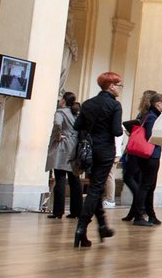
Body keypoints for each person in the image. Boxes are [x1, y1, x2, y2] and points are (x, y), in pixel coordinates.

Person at [73, 72, 124, 248]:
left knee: (95, 188)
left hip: (89, 151)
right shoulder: (115, 105)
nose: (120, 89)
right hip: (105, 151)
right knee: (95, 190)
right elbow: (117, 131)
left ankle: (102, 226)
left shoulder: (88, 103)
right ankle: (81, 228)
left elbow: (77, 126)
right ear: (111, 86)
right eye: (119, 85)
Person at [46, 92, 81, 220]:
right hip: (75, 147)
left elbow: (57, 124)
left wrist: (57, 136)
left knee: (60, 179)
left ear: (64, 101)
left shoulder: (60, 112)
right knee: (74, 180)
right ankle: (76, 211)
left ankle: (58, 211)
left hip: (63, 147)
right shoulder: (76, 113)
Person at [133, 91, 162, 227]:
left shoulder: (148, 115)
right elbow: (152, 136)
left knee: (149, 185)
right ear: (158, 104)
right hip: (150, 154)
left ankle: (150, 214)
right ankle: (139, 215)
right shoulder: (152, 117)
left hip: (147, 154)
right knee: (146, 185)